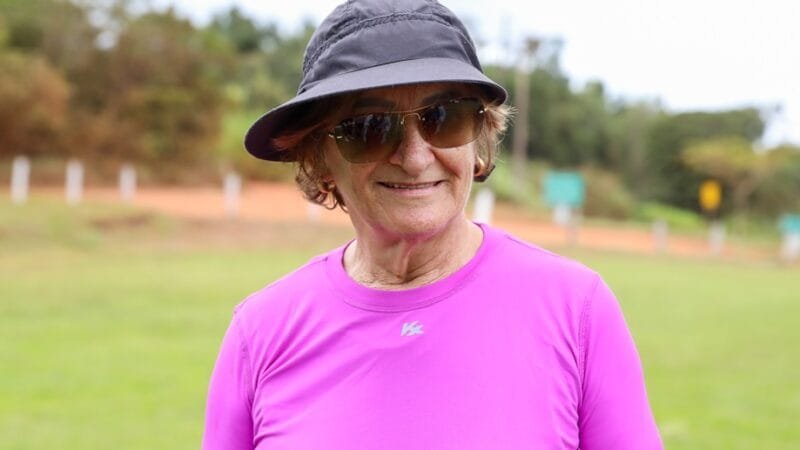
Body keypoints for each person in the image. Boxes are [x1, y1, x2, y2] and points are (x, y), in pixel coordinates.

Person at [202, 1, 663, 449]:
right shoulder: (262, 332)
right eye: (370, 128)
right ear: (319, 159)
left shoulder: (576, 308)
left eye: (445, 118)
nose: (416, 157)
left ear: (480, 138)